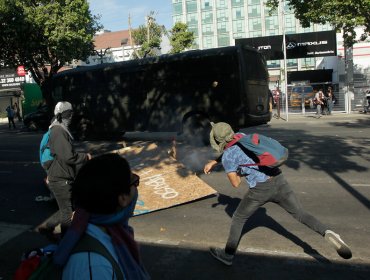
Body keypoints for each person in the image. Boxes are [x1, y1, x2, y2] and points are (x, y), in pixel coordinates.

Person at [203, 122, 352, 266]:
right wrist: (215, 162)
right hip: (279, 180)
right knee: (300, 213)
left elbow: (235, 184)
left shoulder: (229, 156)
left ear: (217, 140)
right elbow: (236, 149)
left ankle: (227, 255)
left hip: (260, 189)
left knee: (238, 217)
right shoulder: (242, 136)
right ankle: (327, 232)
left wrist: (240, 170)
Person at [54, 153, 150, 279]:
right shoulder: (95, 267)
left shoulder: (111, 233)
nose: (136, 189)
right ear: (123, 198)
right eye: (135, 182)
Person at [37, 101, 91, 239]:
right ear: (65, 115)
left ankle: (47, 227)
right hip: (60, 178)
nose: (72, 116)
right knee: (67, 212)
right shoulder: (58, 131)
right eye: (70, 113)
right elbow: (68, 157)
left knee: (66, 209)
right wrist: (85, 157)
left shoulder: (57, 128)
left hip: (60, 175)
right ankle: (66, 241)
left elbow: (63, 154)